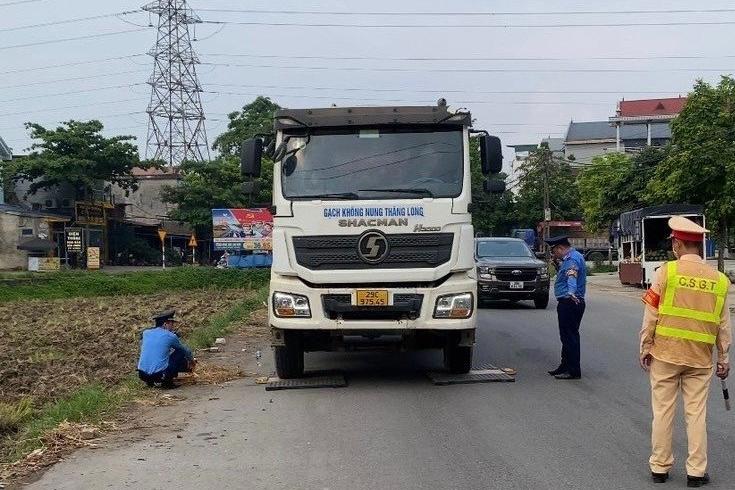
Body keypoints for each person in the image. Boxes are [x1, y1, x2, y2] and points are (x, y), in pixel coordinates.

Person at [639, 216, 731, 487]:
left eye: (673, 244)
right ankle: (696, 473)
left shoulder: (665, 273)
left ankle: (659, 468)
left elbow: (651, 315)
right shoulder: (721, 281)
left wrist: (646, 346)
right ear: (699, 246)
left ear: (678, 244)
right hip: (700, 359)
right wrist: (723, 357)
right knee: (696, 414)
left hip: (665, 354)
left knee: (663, 411)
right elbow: (723, 325)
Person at [545, 235, 587, 380]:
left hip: (569, 302)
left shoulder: (572, 260)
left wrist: (571, 293)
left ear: (560, 248)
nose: (553, 254)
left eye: (554, 251)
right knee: (567, 336)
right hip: (571, 302)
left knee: (570, 337)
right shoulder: (573, 257)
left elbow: (571, 277)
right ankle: (565, 365)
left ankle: (573, 370)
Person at [137, 310, 195, 389]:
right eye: (171, 324)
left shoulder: (145, 333)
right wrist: (191, 361)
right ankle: (167, 383)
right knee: (180, 353)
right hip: (160, 375)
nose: (173, 326)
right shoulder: (170, 336)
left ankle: (149, 382)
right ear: (165, 324)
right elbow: (185, 350)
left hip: (142, 375)